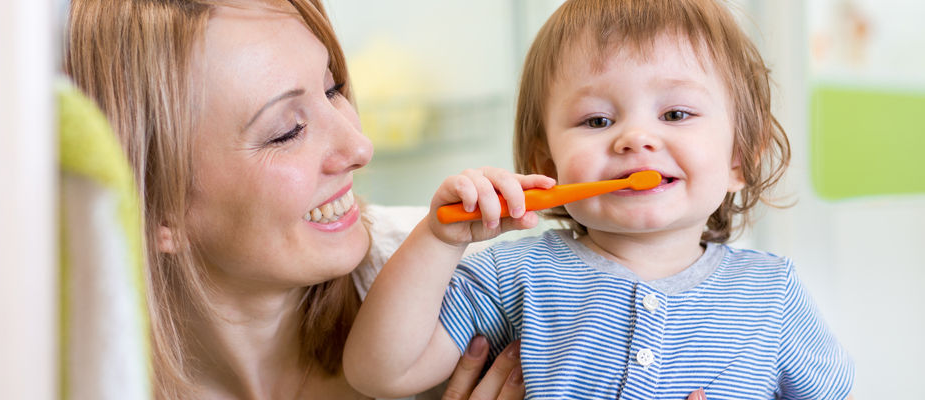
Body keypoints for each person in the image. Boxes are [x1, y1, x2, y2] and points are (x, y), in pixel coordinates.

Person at [343, 0, 856, 399]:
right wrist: (437, 240)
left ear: (739, 159)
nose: (634, 138)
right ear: (547, 168)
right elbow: (380, 372)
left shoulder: (772, 295)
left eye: (675, 114)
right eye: (597, 121)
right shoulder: (513, 275)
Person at [64, 0, 527, 399]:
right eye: (287, 132)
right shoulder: (78, 374)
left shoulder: (477, 295)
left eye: (333, 89)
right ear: (159, 209)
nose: (359, 148)